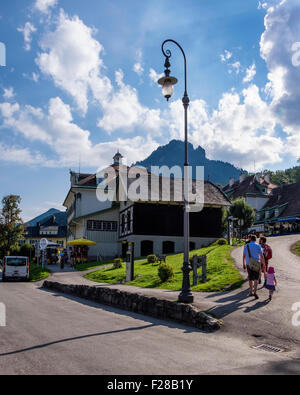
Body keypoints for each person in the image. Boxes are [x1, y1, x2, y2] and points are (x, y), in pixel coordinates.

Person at [243, 234, 266, 299]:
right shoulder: (258, 246)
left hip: (248, 264)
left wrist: (244, 264)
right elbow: (261, 256)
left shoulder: (246, 246)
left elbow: (244, 256)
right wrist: (263, 264)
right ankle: (255, 291)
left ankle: (251, 291)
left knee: (250, 278)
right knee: (256, 278)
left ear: (250, 239)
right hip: (256, 264)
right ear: (255, 239)